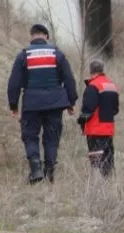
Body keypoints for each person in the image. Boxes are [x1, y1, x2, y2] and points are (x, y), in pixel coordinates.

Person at [7, 24, 78, 184]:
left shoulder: (24, 55)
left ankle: (36, 168)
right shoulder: (58, 54)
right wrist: (71, 102)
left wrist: (13, 105)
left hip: (31, 103)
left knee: (30, 136)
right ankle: (50, 172)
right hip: (55, 103)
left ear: (31, 37)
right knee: (52, 138)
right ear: (46, 37)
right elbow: (69, 79)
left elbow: (14, 83)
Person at [77, 60, 119, 177]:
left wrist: (81, 121)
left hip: (95, 128)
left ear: (91, 71)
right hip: (108, 128)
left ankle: (97, 185)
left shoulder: (93, 86)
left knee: (96, 160)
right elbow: (115, 109)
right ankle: (109, 182)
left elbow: (88, 109)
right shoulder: (111, 85)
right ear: (102, 70)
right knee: (108, 158)